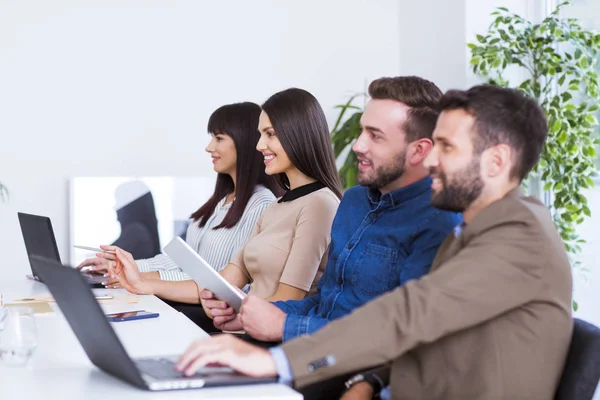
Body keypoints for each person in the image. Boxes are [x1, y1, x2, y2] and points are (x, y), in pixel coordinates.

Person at [174, 85, 574, 400]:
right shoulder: (476, 227)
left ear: (497, 161)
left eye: (447, 148)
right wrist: (368, 380)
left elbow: (410, 313)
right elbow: (423, 326)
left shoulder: (519, 235)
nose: (431, 159)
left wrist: (277, 361)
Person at [203, 76, 460, 351]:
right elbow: (325, 301)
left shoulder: (440, 222)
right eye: (362, 131)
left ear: (419, 150)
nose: (357, 145)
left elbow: (399, 332)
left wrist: (281, 326)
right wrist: (254, 316)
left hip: (345, 360)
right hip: (311, 350)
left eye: (375, 136)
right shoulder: (354, 201)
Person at [100, 88, 343, 331]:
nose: (259, 145)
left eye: (270, 134)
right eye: (260, 135)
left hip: (264, 340)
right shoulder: (277, 207)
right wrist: (145, 284)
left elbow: (289, 302)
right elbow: (224, 281)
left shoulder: (318, 203)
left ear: (297, 134)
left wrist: (234, 313)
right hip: (241, 331)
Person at [78, 102, 281, 293]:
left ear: (244, 143)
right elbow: (181, 263)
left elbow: (222, 282)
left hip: (207, 313)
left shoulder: (261, 205)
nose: (209, 147)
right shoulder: (221, 202)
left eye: (218, 138)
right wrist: (121, 266)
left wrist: (142, 279)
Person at [111, 180, 161, 260]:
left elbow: (104, 257)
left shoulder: (135, 232)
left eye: (118, 202)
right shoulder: (140, 231)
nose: (115, 207)